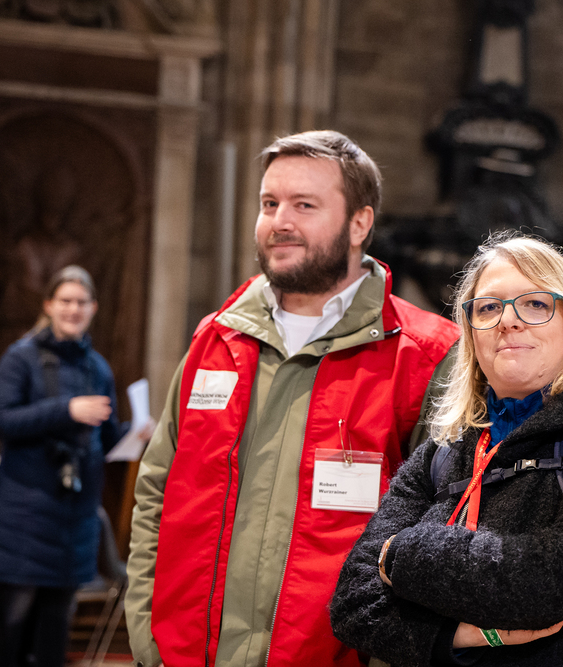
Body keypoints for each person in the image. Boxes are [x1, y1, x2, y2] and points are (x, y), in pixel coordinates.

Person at [125, 130, 459, 667]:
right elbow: (157, 490)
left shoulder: (425, 356)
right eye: (269, 203)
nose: (280, 221)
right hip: (186, 653)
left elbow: (440, 531)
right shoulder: (217, 339)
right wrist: (147, 631)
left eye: (304, 205)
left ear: (359, 223)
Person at [330, 233, 563, 666]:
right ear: (471, 333)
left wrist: (402, 553)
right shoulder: (444, 449)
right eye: (488, 308)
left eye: (535, 304)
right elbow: (352, 606)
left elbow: (550, 583)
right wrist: (460, 636)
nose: (508, 321)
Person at [0, 265, 150, 667]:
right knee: (11, 627)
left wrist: (137, 433)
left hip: (74, 518)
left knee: (55, 630)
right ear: (48, 305)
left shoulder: (98, 368)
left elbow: (105, 438)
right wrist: (66, 410)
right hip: (24, 515)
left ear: (93, 308)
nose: (73, 309)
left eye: (81, 302)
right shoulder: (20, 357)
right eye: (65, 301)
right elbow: (0, 420)